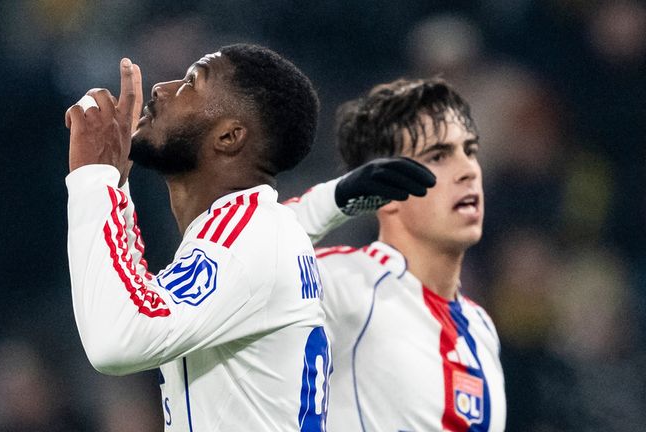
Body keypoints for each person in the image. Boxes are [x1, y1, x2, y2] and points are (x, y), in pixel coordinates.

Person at [63, 44, 330, 431]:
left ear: (229, 136)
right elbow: (141, 303)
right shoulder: (247, 229)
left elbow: (115, 339)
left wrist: (93, 179)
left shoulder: (246, 235)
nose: (162, 88)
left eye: (191, 82)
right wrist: (114, 183)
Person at [285, 78, 507, 431]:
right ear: (385, 188)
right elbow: (236, 264)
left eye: (471, 150)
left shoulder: (481, 328)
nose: (468, 170)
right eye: (438, 156)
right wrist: (330, 202)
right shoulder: (345, 283)